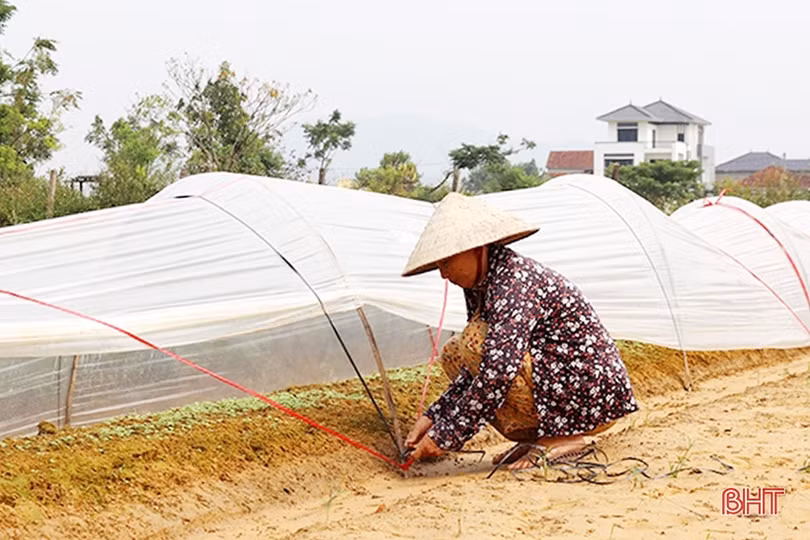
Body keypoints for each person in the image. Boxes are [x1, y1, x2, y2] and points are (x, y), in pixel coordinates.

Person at [402, 193, 638, 469]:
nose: (444, 274)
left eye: (446, 262)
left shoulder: (513, 281)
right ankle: (542, 436)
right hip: (562, 385)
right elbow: (476, 370)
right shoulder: (483, 284)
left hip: (591, 391)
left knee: (474, 342)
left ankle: (564, 437)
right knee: (455, 353)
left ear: (477, 248)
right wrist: (434, 417)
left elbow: (498, 371)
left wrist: (446, 435)